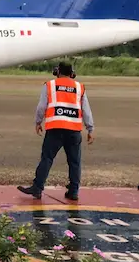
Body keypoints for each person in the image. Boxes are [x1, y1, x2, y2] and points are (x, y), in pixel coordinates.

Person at [18, 61, 94, 201]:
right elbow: (86, 110)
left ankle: (37, 187)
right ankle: (74, 191)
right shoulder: (79, 87)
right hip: (74, 130)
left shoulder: (50, 85)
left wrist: (38, 122)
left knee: (47, 158)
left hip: (55, 129)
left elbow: (41, 107)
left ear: (57, 71)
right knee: (74, 162)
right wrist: (90, 128)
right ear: (72, 73)